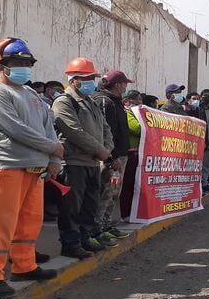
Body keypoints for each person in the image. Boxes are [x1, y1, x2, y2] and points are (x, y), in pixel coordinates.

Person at [0, 38, 63, 299]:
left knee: (28, 221)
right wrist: (53, 148)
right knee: (0, 224)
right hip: (7, 167)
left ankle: (24, 265)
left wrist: (54, 158)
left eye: (27, 63)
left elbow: (47, 125)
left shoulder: (31, 95)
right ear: (2, 65)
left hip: (34, 168)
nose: (24, 67)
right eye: (18, 63)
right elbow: (15, 129)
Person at [52, 57, 116, 259]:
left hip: (92, 162)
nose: (91, 82)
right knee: (72, 207)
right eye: (87, 78)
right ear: (74, 80)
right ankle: (70, 243)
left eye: (92, 78)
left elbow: (106, 129)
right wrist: (101, 151)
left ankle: (85, 237)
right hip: (73, 162)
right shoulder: (64, 102)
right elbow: (74, 131)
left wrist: (107, 149)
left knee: (90, 204)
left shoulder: (90, 102)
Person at [94, 70, 135, 240]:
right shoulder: (105, 102)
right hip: (112, 158)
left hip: (120, 156)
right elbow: (107, 133)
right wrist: (112, 157)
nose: (126, 87)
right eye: (125, 83)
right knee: (106, 192)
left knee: (113, 192)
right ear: (118, 85)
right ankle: (98, 227)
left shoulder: (116, 102)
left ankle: (107, 223)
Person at [120, 90, 143, 220]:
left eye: (140, 100)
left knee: (136, 184)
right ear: (127, 102)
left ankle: (134, 212)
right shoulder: (127, 113)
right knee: (128, 185)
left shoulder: (137, 113)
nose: (139, 103)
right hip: (130, 151)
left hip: (138, 151)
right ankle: (126, 214)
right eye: (136, 100)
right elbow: (136, 128)